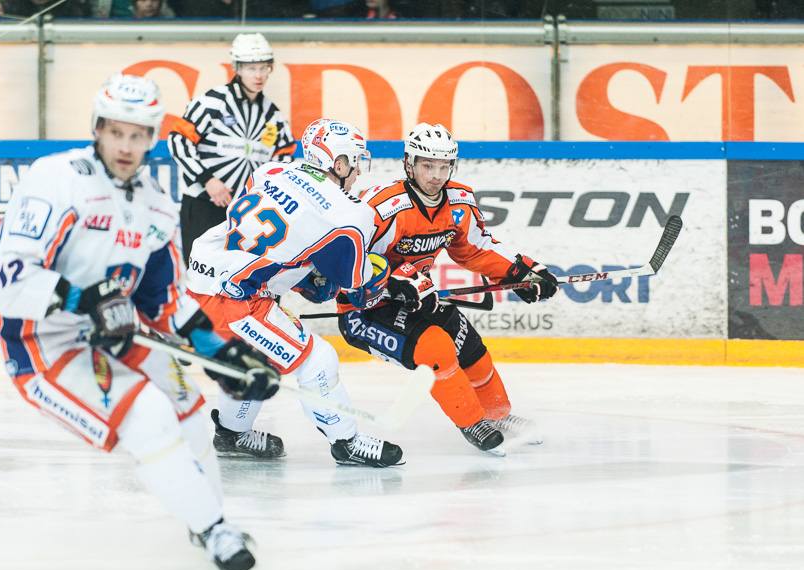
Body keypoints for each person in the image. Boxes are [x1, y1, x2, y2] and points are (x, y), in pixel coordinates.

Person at [0, 73, 281, 570]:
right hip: (44, 341)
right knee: (147, 415)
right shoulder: (57, 178)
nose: (126, 146)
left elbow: (166, 302)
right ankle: (215, 531)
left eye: (138, 134)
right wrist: (84, 300)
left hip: (119, 331)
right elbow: (8, 280)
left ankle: (206, 522)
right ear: (97, 129)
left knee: (190, 415)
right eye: (116, 132)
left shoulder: (156, 205)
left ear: (151, 138)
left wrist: (224, 356)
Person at [183, 118, 422, 468]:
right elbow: (354, 281)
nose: (357, 172)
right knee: (317, 359)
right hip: (231, 297)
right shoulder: (350, 213)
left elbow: (276, 241)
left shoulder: (271, 170)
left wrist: (303, 277)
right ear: (338, 163)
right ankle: (347, 442)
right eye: (353, 163)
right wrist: (388, 280)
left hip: (204, 275)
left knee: (255, 359)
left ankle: (232, 434)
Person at [337, 123, 558, 456]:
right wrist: (395, 279)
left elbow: (474, 250)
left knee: (469, 347)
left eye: (444, 166)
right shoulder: (381, 206)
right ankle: (472, 422)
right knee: (437, 347)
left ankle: (498, 415)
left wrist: (518, 272)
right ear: (409, 164)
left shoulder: (459, 201)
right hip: (365, 309)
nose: (436, 175)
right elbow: (347, 256)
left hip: (417, 298)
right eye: (427, 165)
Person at [169, 33, 296, 267]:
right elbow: (178, 140)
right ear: (237, 67)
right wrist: (208, 180)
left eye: (264, 68)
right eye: (251, 68)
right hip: (203, 204)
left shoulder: (274, 115)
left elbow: (285, 158)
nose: (258, 75)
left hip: (246, 214)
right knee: (200, 281)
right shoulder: (212, 102)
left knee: (246, 283)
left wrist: (266, 195)